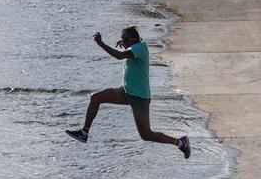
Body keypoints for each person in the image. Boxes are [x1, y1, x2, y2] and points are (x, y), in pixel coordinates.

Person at [66, 24, 191, 158]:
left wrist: (101, 44)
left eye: (124, 40)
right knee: (96, 98)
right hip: (126, 92)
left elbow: (119, 56)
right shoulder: (135, 45)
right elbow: (129, 48)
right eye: (121, 39)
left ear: (133, 39)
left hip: (139, 98)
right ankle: (84, 133)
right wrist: (126, 43)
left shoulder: (139, 49)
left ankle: (180, 142)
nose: (122, 42)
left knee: (146, 135)